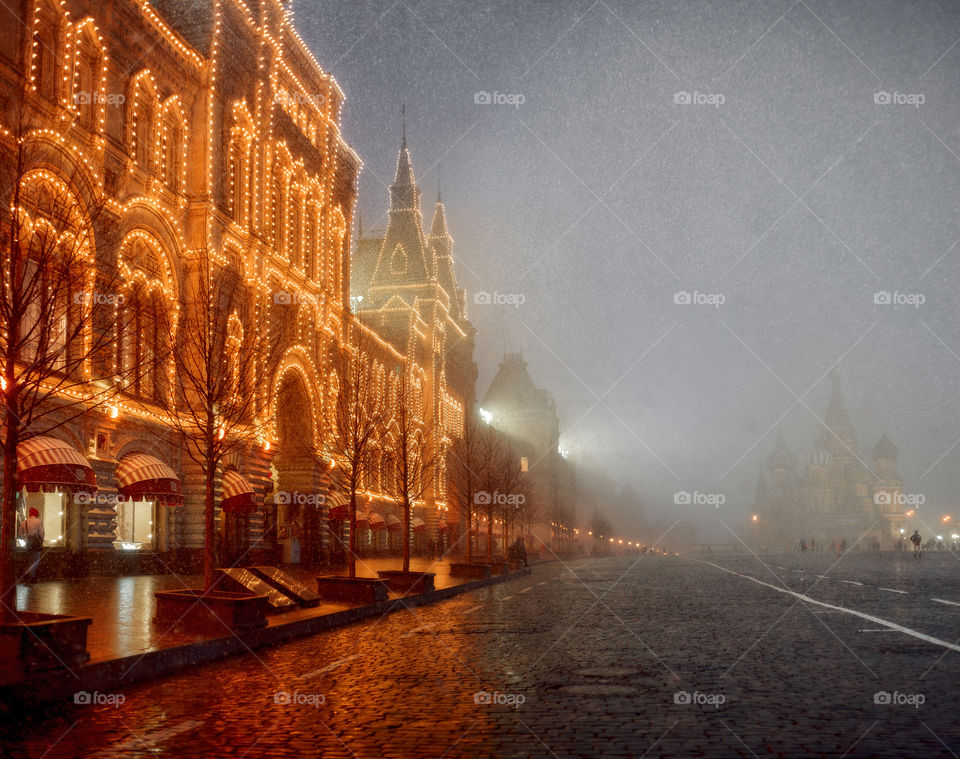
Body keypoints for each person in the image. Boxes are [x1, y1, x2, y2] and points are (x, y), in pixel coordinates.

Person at [19, 507, 44, 582]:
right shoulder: (38, 521)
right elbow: (41, 533)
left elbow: (20, 534)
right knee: (36, 560)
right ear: (36, 515)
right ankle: (30, 574)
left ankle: (30, 576)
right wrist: (41, 541)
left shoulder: (24, 522)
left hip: (28, 544)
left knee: (29, 560)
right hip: (36, 543)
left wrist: (25, 538)